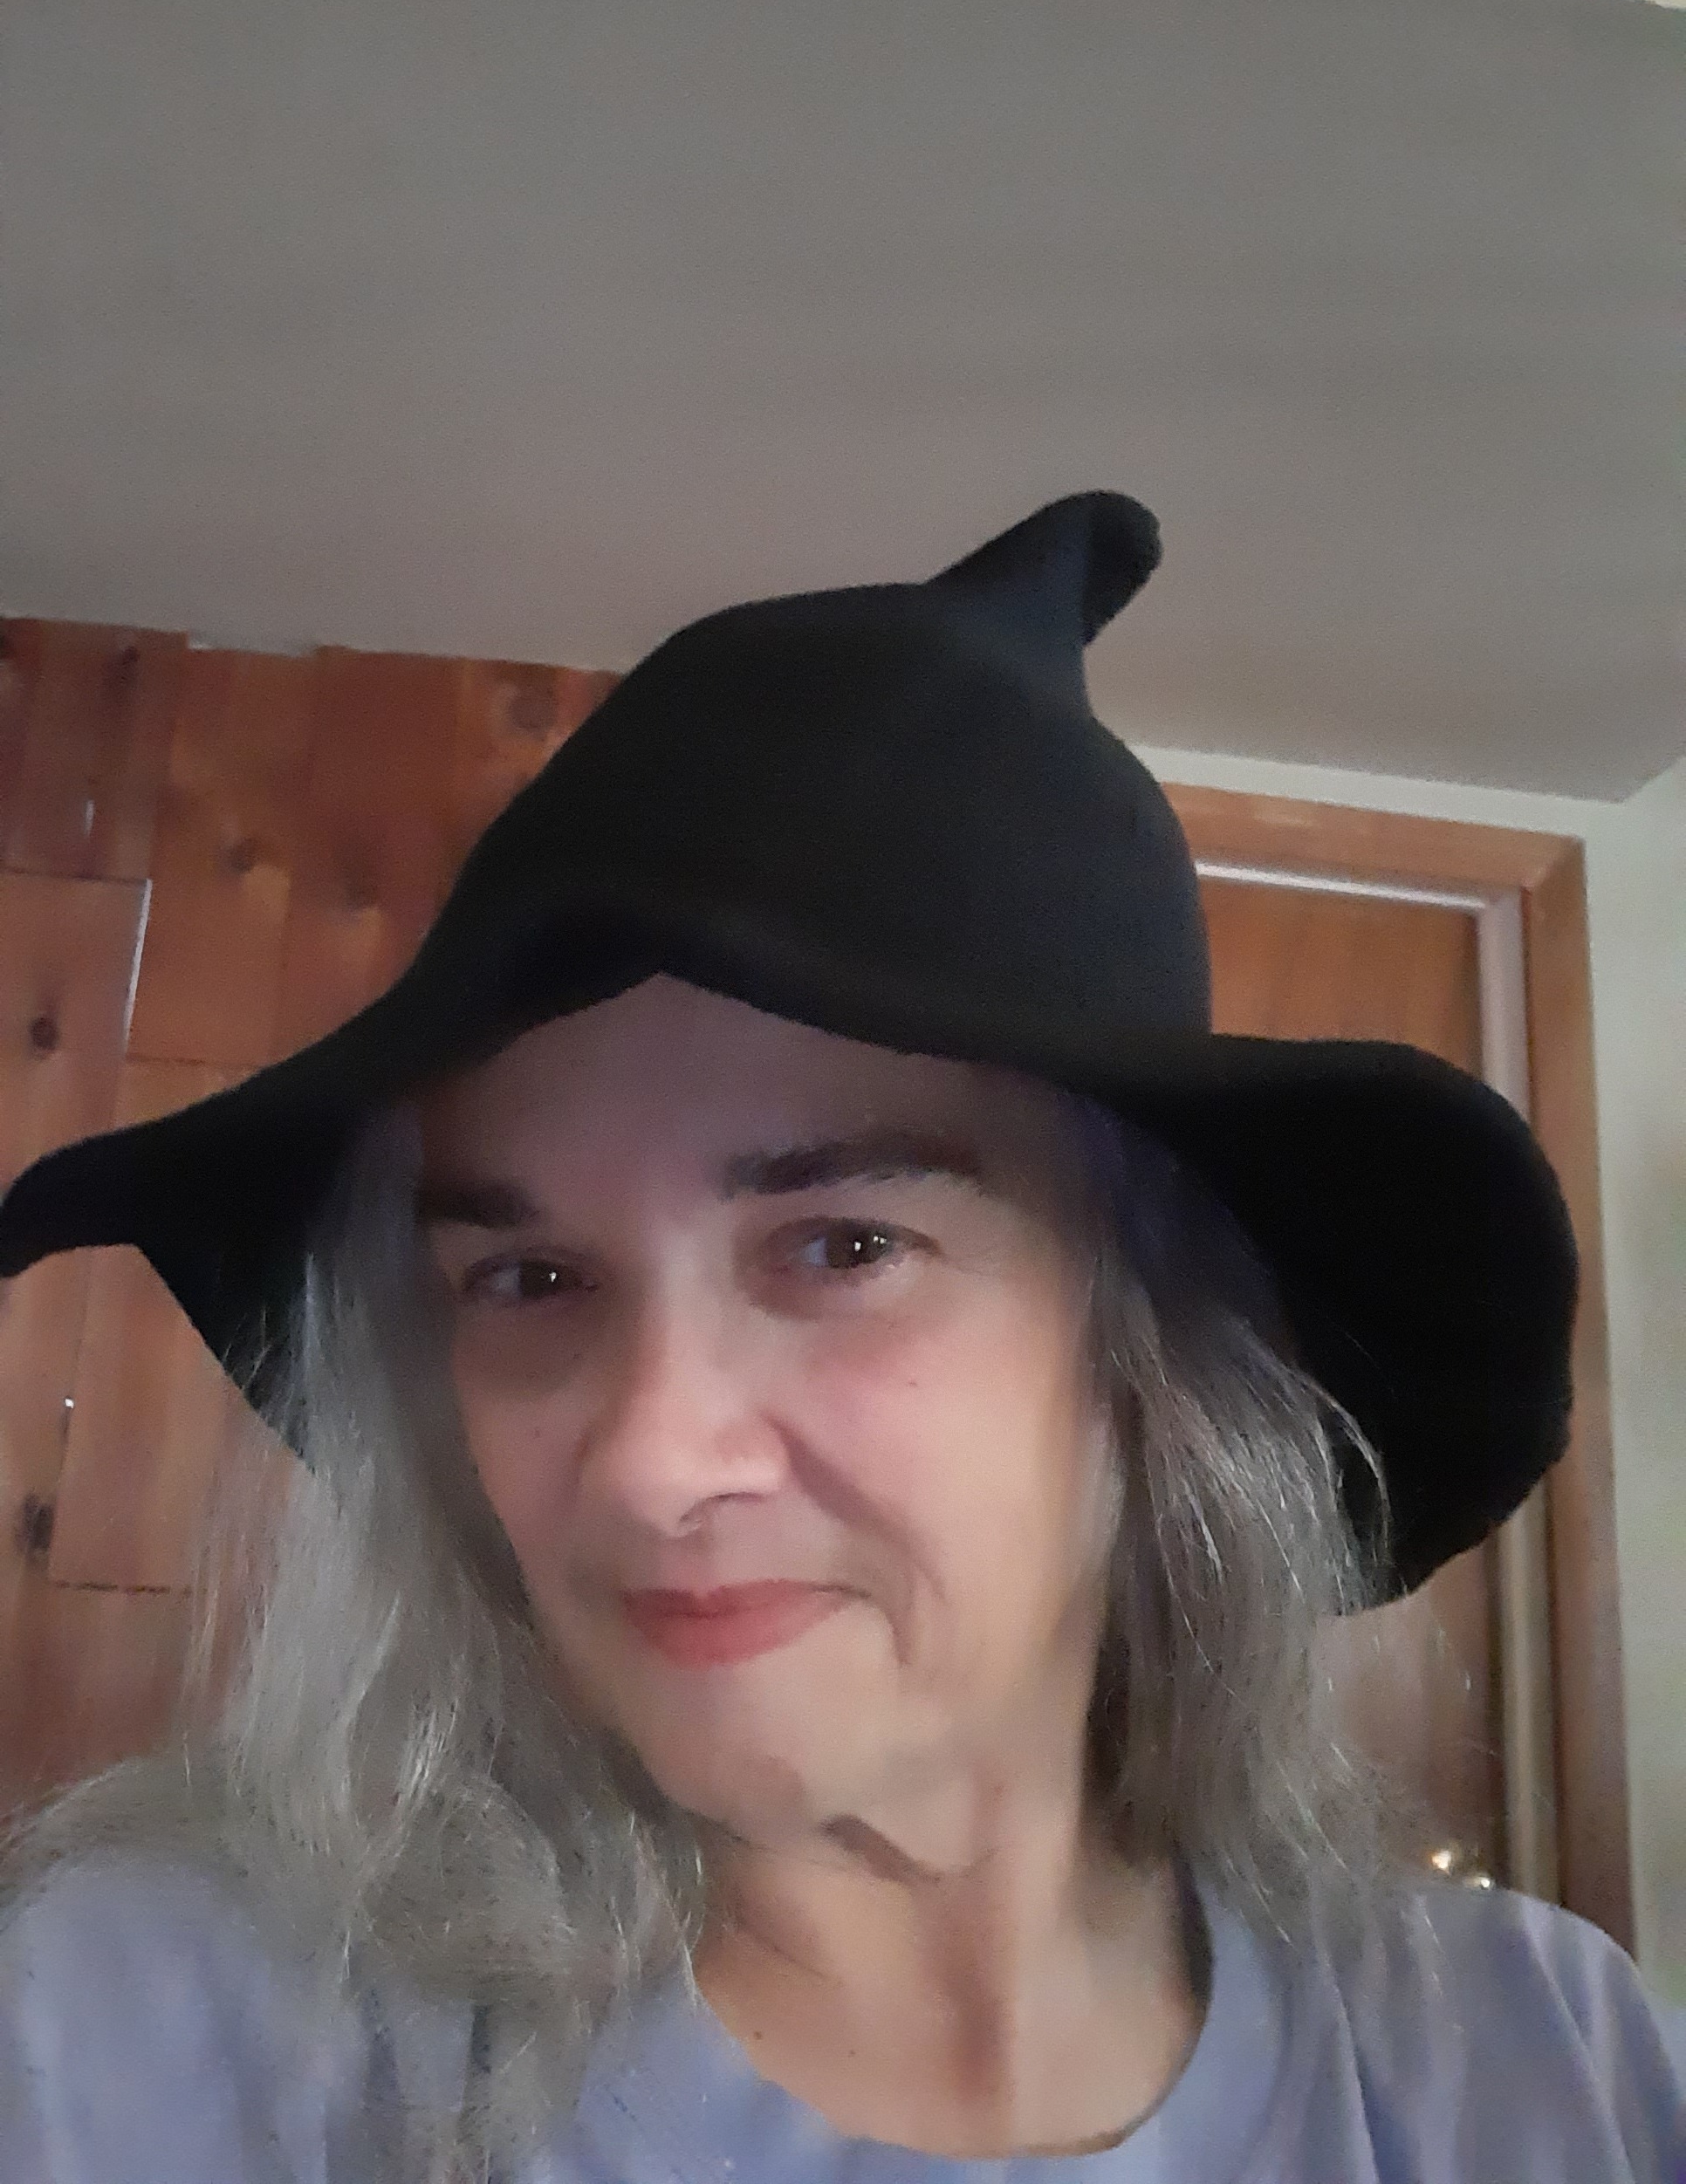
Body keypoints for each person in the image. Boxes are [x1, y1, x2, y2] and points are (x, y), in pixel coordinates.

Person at [0, 492, 1679, 2182]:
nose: (651, 1462)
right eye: (530, 1280)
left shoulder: (1540, 2068)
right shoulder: (158, 2037)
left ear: (1154, 1356)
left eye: (844, 1246)